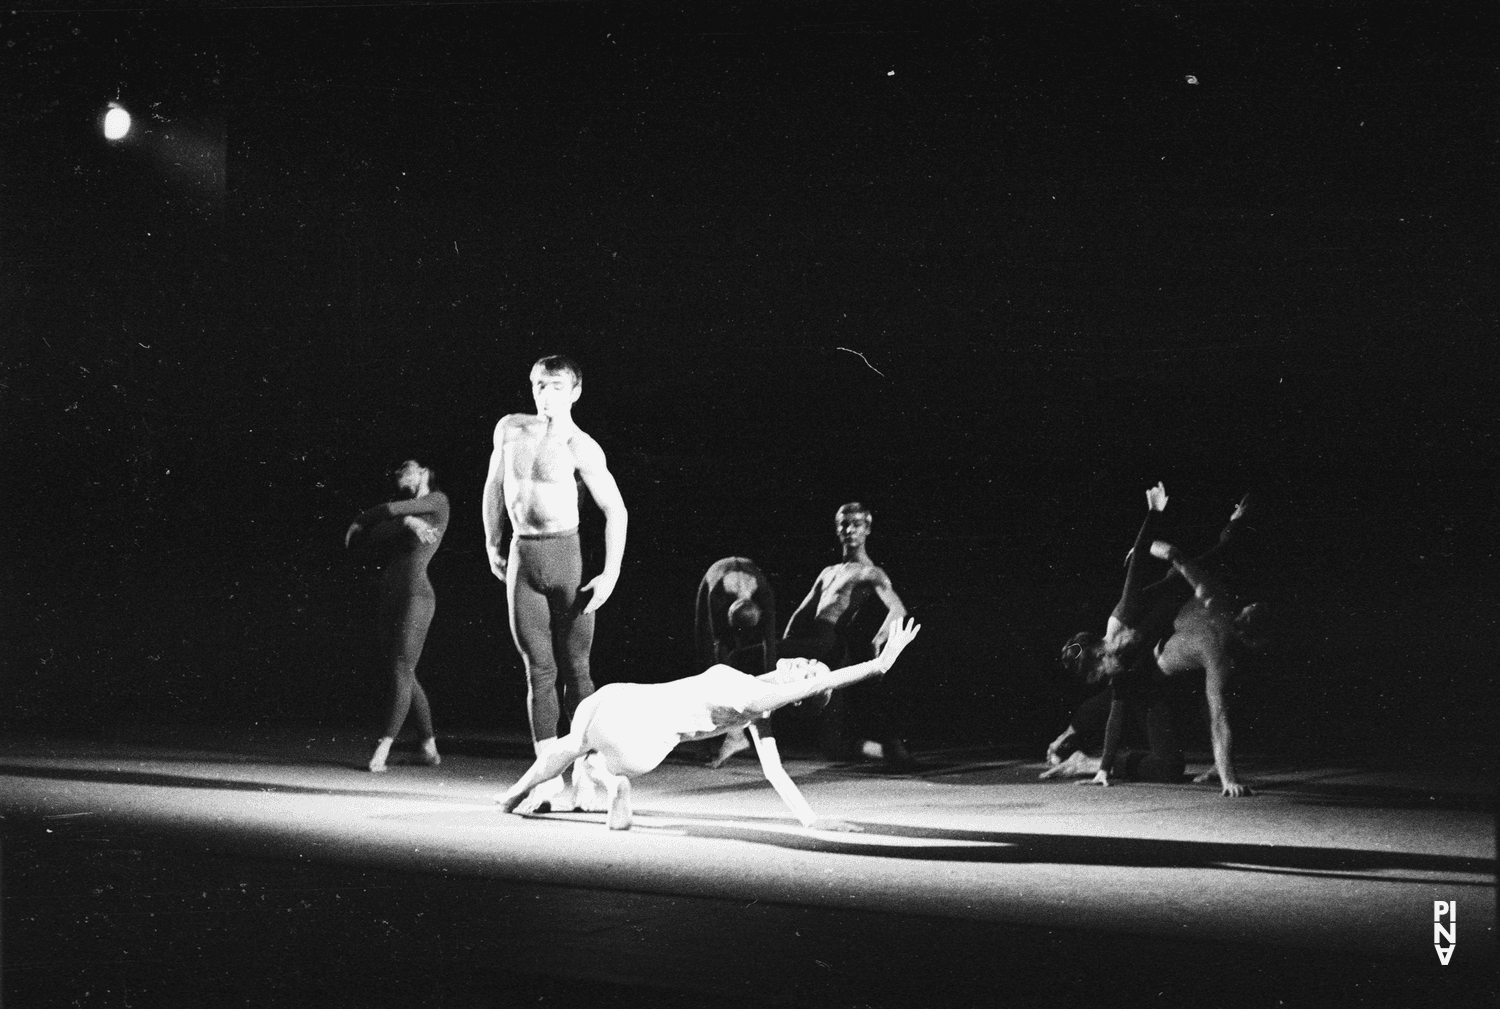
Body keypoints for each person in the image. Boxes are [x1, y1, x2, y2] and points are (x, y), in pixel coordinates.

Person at [496, 619, 922, 830]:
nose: (808, 662)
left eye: (811, 672)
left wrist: (878, 666)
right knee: (584, 746)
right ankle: (613, 782)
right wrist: (810, 819)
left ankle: (525, 793)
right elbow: (774, 772)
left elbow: (826, 682)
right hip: (630, 719)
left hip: (637, 737)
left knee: (578, 742)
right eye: (814, 661)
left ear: (801, 695)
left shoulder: (758, 699)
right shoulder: (757, 703)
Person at [1043, 484, 1260, 797]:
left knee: (1216, 562)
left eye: (1102, 675)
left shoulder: (1123, 616)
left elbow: (1137, 566)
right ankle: (1082, 760)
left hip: (1176, 591)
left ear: (1101, 656)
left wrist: (1154, 514)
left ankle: (1237, 521)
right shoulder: (1118, 670)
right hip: (1152, 674)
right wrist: (1102, 768)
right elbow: (1115, 712)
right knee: (1168, 766)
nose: (1108, 679)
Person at [482, 355, 628, 813]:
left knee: (576, 669)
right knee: (538, 671)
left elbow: (616, 511)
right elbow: (493, 484)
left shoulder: (581, 445)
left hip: (567, 559)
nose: (546, 395)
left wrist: (610, 573)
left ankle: (585, 772)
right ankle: (547, 778)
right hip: (524, 557)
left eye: (557, 387)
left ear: (575, 391)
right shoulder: (509, 428)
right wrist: (492, 541)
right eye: (540, 386)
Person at [781, 502, 914, 768]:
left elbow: (898, 609)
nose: (850, 529)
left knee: (745, 655)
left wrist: (879, 640)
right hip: (814, 645)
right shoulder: (828, 572)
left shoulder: (869, 571)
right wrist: (783, 646)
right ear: (837, 528)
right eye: (844, 523)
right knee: (832, 746)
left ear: (867, 529)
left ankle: (741, 734)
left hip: (830, 644)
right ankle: (885, 752)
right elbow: (800, 613)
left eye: (857, 524)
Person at [344, 459, 450, 773]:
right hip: (389, 593)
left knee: (402, 668)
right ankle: (428, 743)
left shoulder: (437, 502)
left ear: (425, 471)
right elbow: (373, 529)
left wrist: (375, 519)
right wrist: (406, 523)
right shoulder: (410, 514)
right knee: (402, 669)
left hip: (417, 595)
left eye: (407, 467)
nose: (398, 473)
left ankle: (384, 745)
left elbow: (383, 512)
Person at [695, 556, 778, 767]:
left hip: (744, 583)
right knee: (712, 661)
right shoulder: (716, 592)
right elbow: (711, 641)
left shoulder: (763, 593)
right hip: (713, 580)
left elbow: (769, 643)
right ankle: (726, 738)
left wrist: (773, 689)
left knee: (754, 662)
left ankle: (749, 738)